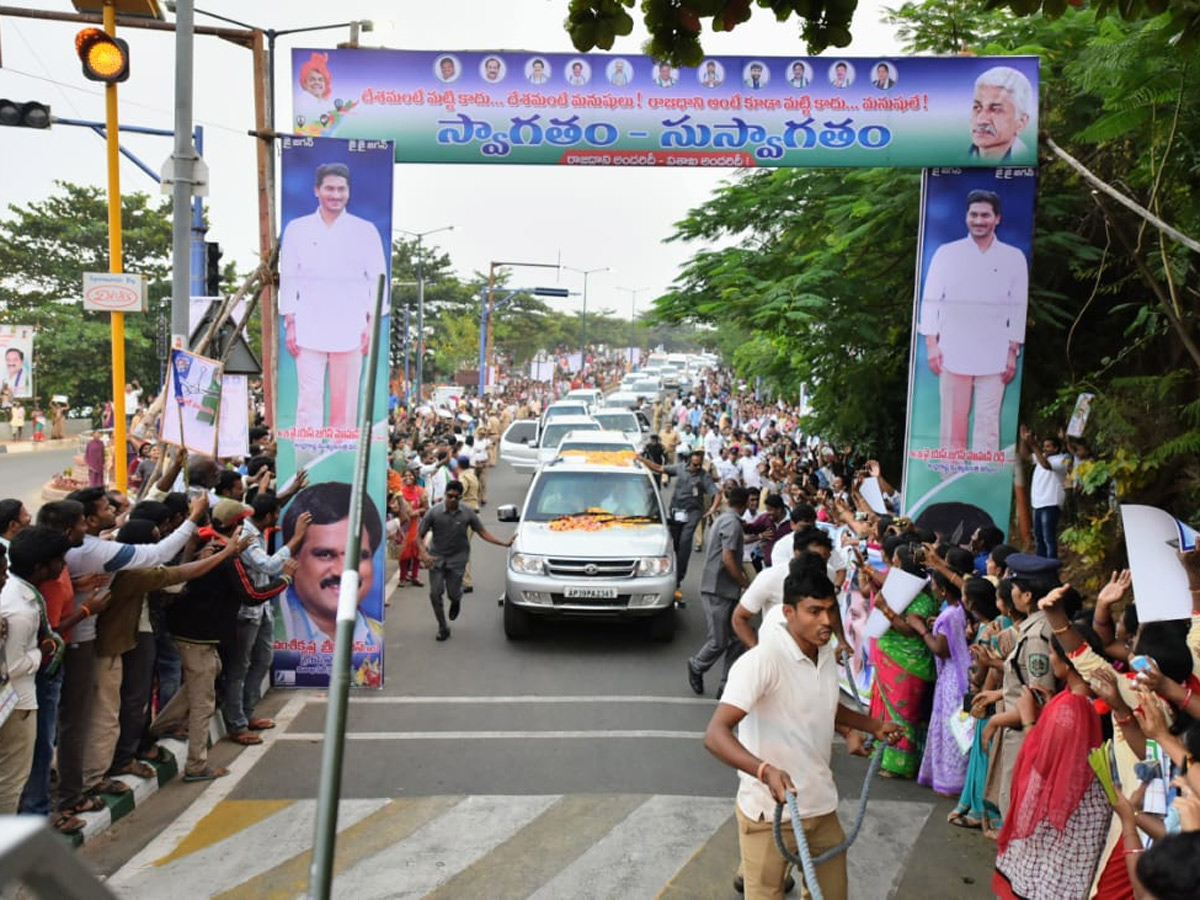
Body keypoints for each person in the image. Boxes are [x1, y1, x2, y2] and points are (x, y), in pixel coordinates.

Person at [703, 553, 902, 900]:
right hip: (768, 812)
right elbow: (715, 736)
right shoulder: (761, 661)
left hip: (821, 805)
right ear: (788, 612)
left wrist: (872, 725)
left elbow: (823, 702)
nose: (826, 621)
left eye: (831, 609)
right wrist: (765, 771)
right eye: (815, 611)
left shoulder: (824, 652)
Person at [992, 635, 1110, 900]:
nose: (1050, 658)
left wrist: (1028, 719)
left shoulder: (1070, 707)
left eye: (1052, 654)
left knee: (1042, 880)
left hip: (1062, 813)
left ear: (1068, 663)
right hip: (1085, 809)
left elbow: (1045, 763)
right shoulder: (1090, 698)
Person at [279, 162, 388, 430]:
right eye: (329, 188)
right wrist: (290, 323)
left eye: (341, 189)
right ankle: (308, 455)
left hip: (352, 327)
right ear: (317, 190)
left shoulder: (364, 230)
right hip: (308, 327)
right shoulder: (297, 228)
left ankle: (341, 457)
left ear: (348, 192)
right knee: (309, 398)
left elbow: (378, 280)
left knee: (346, 401)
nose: (335, 195)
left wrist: (371, 326)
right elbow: (289, 277)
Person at [917, 189, 1028, 452]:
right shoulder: (947, 253)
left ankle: (983, 477)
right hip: (952, 350)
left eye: (985, 215)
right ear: (966, 217)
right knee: (953, 419)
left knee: (988, 421)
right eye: (974, 214)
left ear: (997, 218)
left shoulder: (1013, 257)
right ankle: (951, 472)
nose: (979, 220)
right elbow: (931, 299)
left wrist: (1013, 350)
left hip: (996, 352)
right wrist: (931, 344)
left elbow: (1018, 307)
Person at [227, 493, 312, 740]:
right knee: (239, 668)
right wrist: (297, 538)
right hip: (247, 612)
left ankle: (248, 712)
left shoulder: (257, 529)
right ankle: (237, 724)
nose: (278, 518)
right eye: (276, 513)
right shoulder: (247, 536)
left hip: (262, 608)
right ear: (266, 516)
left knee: (263, 659)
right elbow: (269, 566)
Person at [0, 529, 71, 813]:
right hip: (17, 704)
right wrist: (43, 651)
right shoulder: (20, 610)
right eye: (59, 561)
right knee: (10, 783)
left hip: (17, 701)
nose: (5, 579)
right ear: (41, 567)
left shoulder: (18, 594)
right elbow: (14, 667)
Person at [273, 481, 385, 646]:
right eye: (325, 554)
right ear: (293, 558)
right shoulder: (274, 634)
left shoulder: (378, 639)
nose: (342, 571)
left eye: (357, 556)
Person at [868, 543, 937, 778]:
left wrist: (884, 608)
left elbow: (908, 630)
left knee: (904, 713)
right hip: (891, 659)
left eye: (896, 563)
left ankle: (902, 765)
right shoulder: (899, 589)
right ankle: (885, 753)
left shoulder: (923, 600)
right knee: (891, 711)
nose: (892, 566)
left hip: (909, 663)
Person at [417, 480, 513, 641]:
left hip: (458, 559)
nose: (452, 500)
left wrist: (503, 543)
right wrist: (423, 554)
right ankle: (443, 627)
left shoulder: (468, 513)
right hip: (436, 558)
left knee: (453, 594)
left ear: (460, 497)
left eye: (456, 497)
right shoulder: (434, 512)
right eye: (449, 496)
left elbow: (483, 532)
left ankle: (456, 600)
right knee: (435, 593)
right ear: (445, 495)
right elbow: (419, 536)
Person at [910, 572, 971, 796]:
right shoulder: (961, 610)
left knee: (951, 729)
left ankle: (951, 780)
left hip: (953, 678)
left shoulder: (950, 615)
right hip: (959, 675)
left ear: (944, 591)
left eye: (936, 586)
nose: (934, 590)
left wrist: (922, 629)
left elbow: (940, 649)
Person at [687, 486, 751, 698]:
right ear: (745, 503)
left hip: (726, 589)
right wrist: (743, 582)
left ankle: (727, 685)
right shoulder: (731, 523)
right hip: (718, 589)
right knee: (719, 640)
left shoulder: (727, 520)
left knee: (738, 639)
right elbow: (728, 558)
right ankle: (697, 666)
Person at [638, 450, 720, 600]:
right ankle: (670, 571)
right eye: (694, 464)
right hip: (676, 510)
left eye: (699, 465)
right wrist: (642, 460)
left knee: (685, 541)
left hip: (693, 511)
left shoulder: (704, 476)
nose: (696, 467)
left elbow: (716, 493)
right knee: (674, 543)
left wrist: (713, 508)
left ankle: (679, 578)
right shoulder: (680, 468)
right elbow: (660, 468)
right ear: (689, 461)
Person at [1020, 426, 1070, 559]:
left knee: (1049, 539)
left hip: (1051, 503)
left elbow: (1046, 465)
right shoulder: (1041, 457)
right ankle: (1041, 567)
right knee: (1039, 539)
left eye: (1048, 447)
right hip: (1038, 504)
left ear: (1056, 448)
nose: (1044, 449)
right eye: (1044, 446)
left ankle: (1051, 568)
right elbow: (1025, 456)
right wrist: (1023, 440)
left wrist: (1034, 445)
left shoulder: (1063, 459)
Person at [969, 66, 1033, 160]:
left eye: (996, 110)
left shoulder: (1026, 160)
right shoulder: (951, 160)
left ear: (1021, 122)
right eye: (977, 107)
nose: (981, 120)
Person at [398, 468, 427, 587]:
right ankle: (403, 578)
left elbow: (426, 507)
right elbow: (393, 507)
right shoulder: (398, 492)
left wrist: (417, 512)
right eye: (405, 475)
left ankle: (415, 577)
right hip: (403, 526)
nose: (408, 478)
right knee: (403, 553)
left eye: (411, 475)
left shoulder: (420, 491)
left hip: (416, 524)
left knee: (416, 552)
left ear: (415, 477)